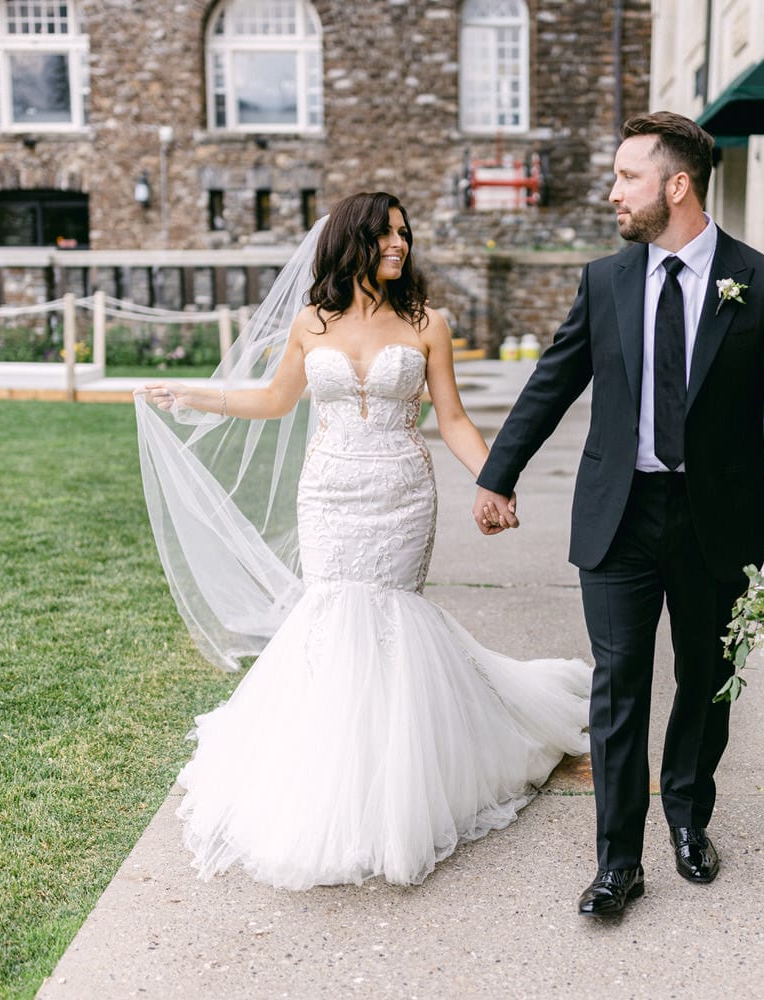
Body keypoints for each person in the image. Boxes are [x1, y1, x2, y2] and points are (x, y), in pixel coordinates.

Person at [137, 192, 591, 890]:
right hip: (328, 493)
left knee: (387, 620)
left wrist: (495, 481)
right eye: (386, 234)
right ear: (354, 241)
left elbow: (456, 420)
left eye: (404, 234)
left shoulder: (426, 323)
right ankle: (327, 774)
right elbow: (274, 399)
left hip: (400, 491)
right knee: (328, 618)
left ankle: (398, 778)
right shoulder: (310, 322)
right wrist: (195, 396)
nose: (399, 245)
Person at [473, 112, 764, 916]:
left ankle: (688, 818)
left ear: (676, 185)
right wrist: (499, 475)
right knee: (619, 690)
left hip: (719, 520)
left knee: (708, 684)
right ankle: (617, 862)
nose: (612, 194)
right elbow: (553, 380)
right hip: (619, 516)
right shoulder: (605, 280)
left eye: (626, 178)